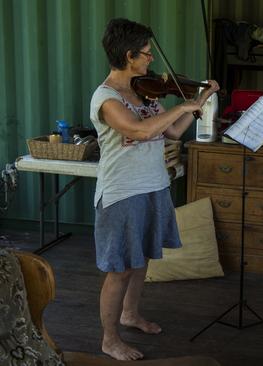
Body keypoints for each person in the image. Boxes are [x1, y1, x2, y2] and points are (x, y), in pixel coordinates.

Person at [89, 18, 220, 361]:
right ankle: (109, 339)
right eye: (146, 54)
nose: (152, 61)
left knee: (142, 258)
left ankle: (130, 314)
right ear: (129, 56)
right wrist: (181, 105)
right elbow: (141, 131)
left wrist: (200, 99)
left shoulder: (144, 91)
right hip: (122, 193)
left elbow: (173, 131)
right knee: (119, 270)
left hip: (153, 186)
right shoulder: (106, 99)